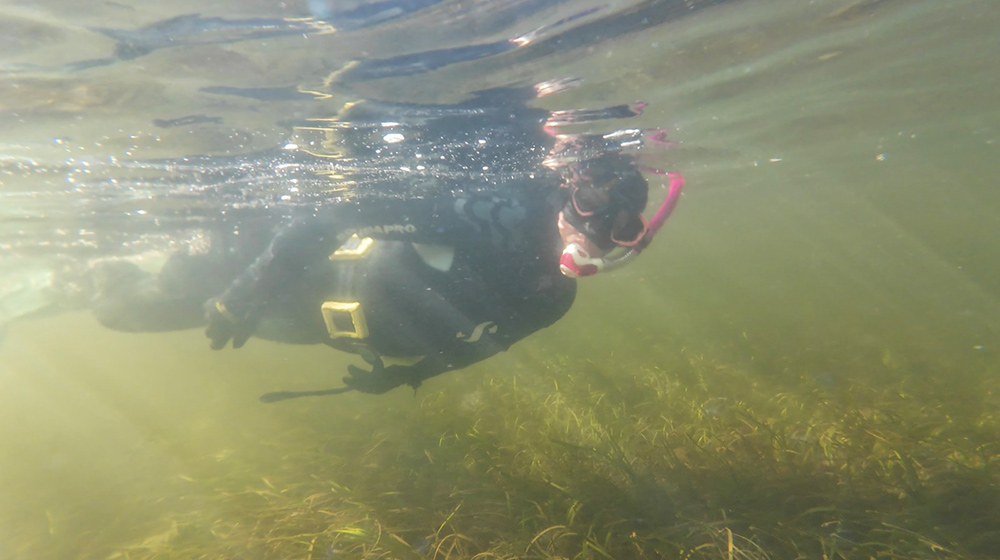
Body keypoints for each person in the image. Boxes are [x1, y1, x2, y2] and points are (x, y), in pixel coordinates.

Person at [88, 91, 684, 399]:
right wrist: (240, 297)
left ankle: (123, 278)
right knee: (131, 314)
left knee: (159, 309)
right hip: (295, 280)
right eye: (586, 208)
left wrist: (411, 377)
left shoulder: (554, 299)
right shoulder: (484, 217)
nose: (592, 235)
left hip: (322, 326)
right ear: (566, 190)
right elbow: (327, 218)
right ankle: (100, 275)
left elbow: (486, 346)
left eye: (620, 229)